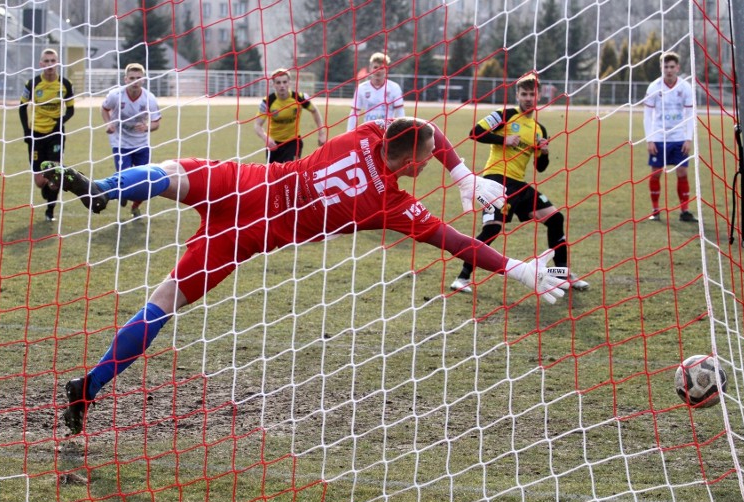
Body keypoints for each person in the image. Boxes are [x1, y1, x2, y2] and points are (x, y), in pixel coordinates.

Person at [41, 117, 567, 435]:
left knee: (173, 174)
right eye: (428, 162)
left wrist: (459, 170)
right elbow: (456, 241)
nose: (430, 163)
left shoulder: (366, 134)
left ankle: (104, 190)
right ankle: (87, 389)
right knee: (162, 304)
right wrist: (518, 267)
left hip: (245, 184)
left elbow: (419, 130)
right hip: (245, 238)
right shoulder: (390, 205)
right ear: (411, 165)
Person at [450, 72, 590, 294]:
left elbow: (540, 167)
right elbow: (475, 133)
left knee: (555, 218)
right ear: (517, 95)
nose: (527, 98)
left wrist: (543, 152)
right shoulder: (505, 115)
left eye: (531, 94)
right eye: (523, 94)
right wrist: (503, 139)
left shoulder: (539, 129)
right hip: (495, 181)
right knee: (493, 229)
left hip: (519, 185)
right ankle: (462, 278)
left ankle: (563, 275)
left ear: (538, 96)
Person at [19, 48, 75, 222]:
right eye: (47, 61)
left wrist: (61, 121)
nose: (50, 64)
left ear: (57, 63)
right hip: (36, 134)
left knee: (55, 174)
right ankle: (47, 190)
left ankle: (50, 211)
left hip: (56, 134)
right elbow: (22, 107)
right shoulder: (32, 84)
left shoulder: (65, 84)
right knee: (39, 181)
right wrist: (27, 132)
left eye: (53, 61)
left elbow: (71, 109)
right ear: (41, 64)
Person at [101, 63, 162, 218]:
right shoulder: (116, 95)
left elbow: (156, 123)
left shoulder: (149, 98)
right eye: (132, 78)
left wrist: (147, 127)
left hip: (142, 144)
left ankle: (135, 206)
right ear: (126, 79)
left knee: (144, 181)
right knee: (124, 176)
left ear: (144, 80)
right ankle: (123, 194)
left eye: (138, 78)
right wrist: (109, 123)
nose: (135, 81)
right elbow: (104, 108)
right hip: (120, 143)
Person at [643, 51, 696, 222]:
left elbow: (689, 114)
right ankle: (655, 210)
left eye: (672, 67)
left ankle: (684, 211)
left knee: (682, 172)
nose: (669, 70)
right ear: (661, 67)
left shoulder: (685, 87)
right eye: (665, 66)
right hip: (659, 137)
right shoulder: (654, 87)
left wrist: (688, 138)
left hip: (679, 138)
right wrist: (649, 138)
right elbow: (647, 115)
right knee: (656, 173)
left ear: (678, 68)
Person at [253, 68, 326, 163]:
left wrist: (321, 133)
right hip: (274, 144)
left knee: (291, 173)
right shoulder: (267, 101)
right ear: (273, 84)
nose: (282, 86)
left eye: (284, 82)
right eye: (278, 83)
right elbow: (257, 125)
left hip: (293, 142)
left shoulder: (299, 98)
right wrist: (266, 138)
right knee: (274, 176)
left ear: (289, 83)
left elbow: (314, 111)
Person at [346, 52, 404, 131]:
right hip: (368, 130)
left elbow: (400, 113)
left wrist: (401, 132)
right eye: (375, 67)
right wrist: (350, 133)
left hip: (387, 131)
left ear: (386, 70)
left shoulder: (394, 88)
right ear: (370, 69)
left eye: (382, 68)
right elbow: (354, 113)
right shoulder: (361, 88)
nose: (378, 71)